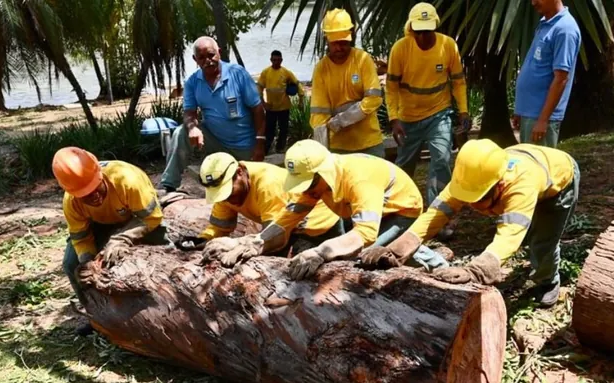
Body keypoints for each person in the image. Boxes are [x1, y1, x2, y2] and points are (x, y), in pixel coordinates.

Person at [360, 139, 579, 308]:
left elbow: (509, 236)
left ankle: (548, 281)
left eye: (479, 198)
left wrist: (476, 271)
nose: (473, 205)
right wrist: (397, 249)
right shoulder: (469, 177)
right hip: (531, 164)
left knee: (543, 242)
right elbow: (434, 215)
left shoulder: (522, 185)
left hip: (559, 183)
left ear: (499, 184)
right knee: (529, 234)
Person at [217, 140, 449, 279]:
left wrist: (320, 252)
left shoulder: (359, 180)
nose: (307, 190)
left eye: (309, 184)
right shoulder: (316, 182)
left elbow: (365, 234)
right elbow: (289, 217)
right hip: (363, 210)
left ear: (322, 173)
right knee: (352, 254)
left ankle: (438, 266)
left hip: (400, 211)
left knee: (371, 254)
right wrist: (257, 242)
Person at [54, 147, 167, 335]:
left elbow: (152, 217)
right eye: (85, 195)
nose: (94, 196)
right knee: (71, 264)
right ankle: (96, 314)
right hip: (99, 224)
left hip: (136, 217)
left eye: (94, 188)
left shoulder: (127, 180)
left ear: (100, 175)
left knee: (164, 250)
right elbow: (81, 238)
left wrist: (122, 238)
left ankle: (163, 307)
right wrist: (88, 265)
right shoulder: (71, 203)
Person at [175, 152, 343, 264]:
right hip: (282, 227)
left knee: (304, 276)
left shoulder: (268, 184)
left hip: (316, 224)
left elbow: (274, 236)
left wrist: (241, 245)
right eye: (220, 194)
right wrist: (202, 240)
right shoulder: (226, 190)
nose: (226, 198)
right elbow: (220, 227)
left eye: (227, 191)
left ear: (239, 172)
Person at [386, 2, 469, 206]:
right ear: (412, 29)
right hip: (409, 118)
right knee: (405, 165)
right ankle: (398, 207)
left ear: (435, 28)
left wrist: (464, 111)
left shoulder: (448, 46)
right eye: (419, 32)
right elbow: (391, 87)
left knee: (441, 159)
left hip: (439, 113)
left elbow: (458, 81)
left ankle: (439, 211)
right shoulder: (400, 49)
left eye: (428, 31)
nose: (423, 37)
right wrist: (394, 119)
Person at [160, 36, 266, 192]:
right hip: (216, 144)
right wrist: (192, 128)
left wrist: (260, 144)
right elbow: (189, 112)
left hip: (244, 147)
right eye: (201, 58)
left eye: (211, 55)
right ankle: (169, 185)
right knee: (181, 132)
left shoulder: (238, 74)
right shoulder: (192, 82)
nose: (207, 61)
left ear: (219, 53)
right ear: (195, 59)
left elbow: (258, 109)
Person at [310, 9, 385, 157]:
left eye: (343, 42)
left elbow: (374, 99)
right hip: (339, 147)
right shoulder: (321, 69)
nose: (339, 47)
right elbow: (319, 115)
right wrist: (323, 155)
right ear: (327, 40)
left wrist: (342, 120)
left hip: (369, 142)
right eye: (335, 43)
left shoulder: (363, 60)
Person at [512, 0, 581, 148]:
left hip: (541, 117)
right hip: (530, 114)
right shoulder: (545, 23)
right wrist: (520, 109)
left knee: (539, 168)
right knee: (529, 167)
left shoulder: (565, 29)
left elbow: (561, 79)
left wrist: (543, 120)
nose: (533, 3)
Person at [257, 50, 305, 153]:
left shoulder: (286, 72)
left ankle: (280, 148)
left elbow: (298, 84)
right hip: (271, 107)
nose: (276, 62)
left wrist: (301, 99)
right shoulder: (266, 72)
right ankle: (266, 149)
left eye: (278, 60)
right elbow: (259, 88)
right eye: (274, 60)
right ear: (271, 60)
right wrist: (263, 103)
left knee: (284, 129)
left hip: (284, 107)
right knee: (269, 130)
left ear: (281, 60)